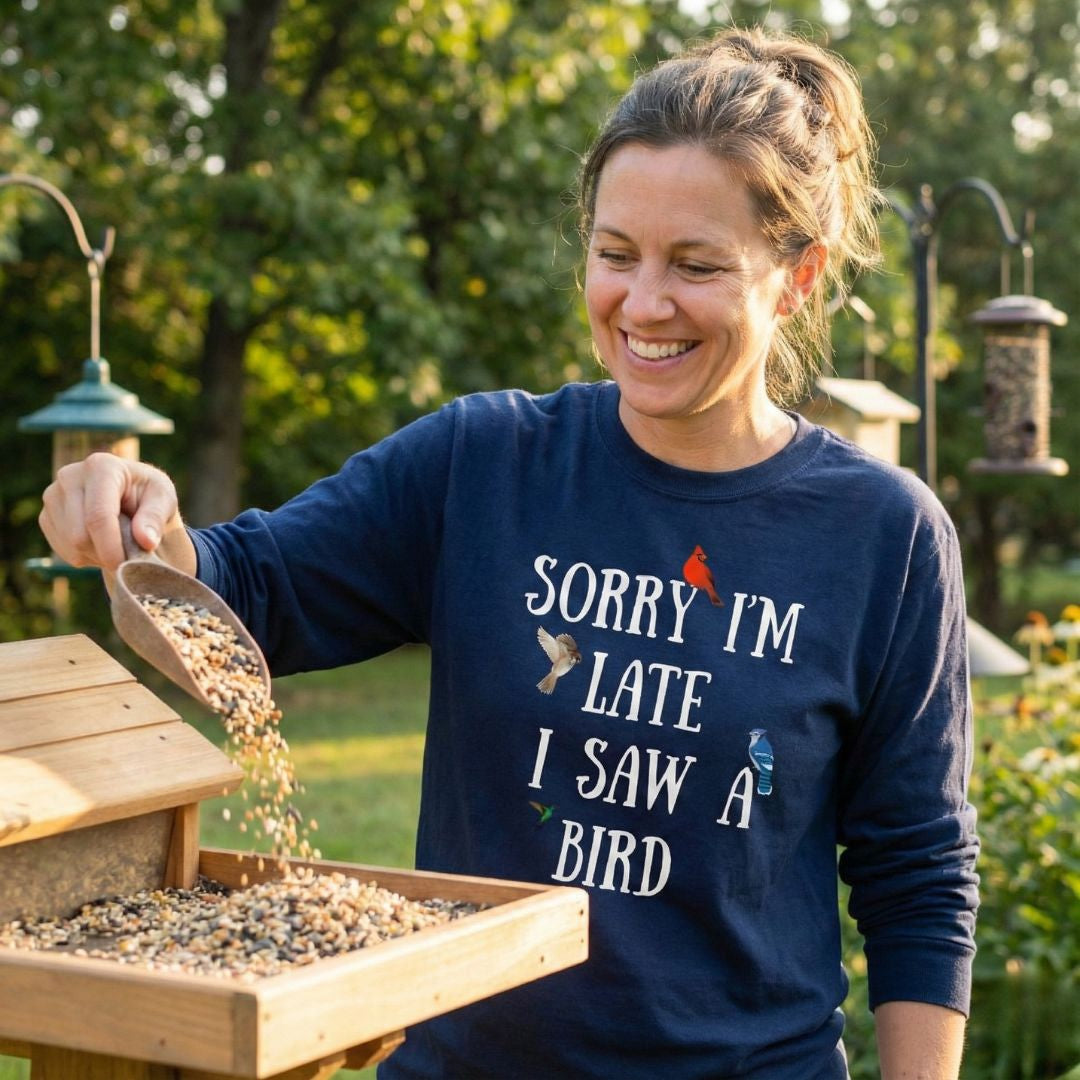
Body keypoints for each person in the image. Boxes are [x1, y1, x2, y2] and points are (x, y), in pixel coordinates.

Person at [38, 26, 978, 1080]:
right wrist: (137, 527)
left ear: (796, 278)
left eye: (697, 265)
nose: (645, 303)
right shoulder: (484, 463)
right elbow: (240, 589)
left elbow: (920, 872)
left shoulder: (882, 535)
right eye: (615, 254)